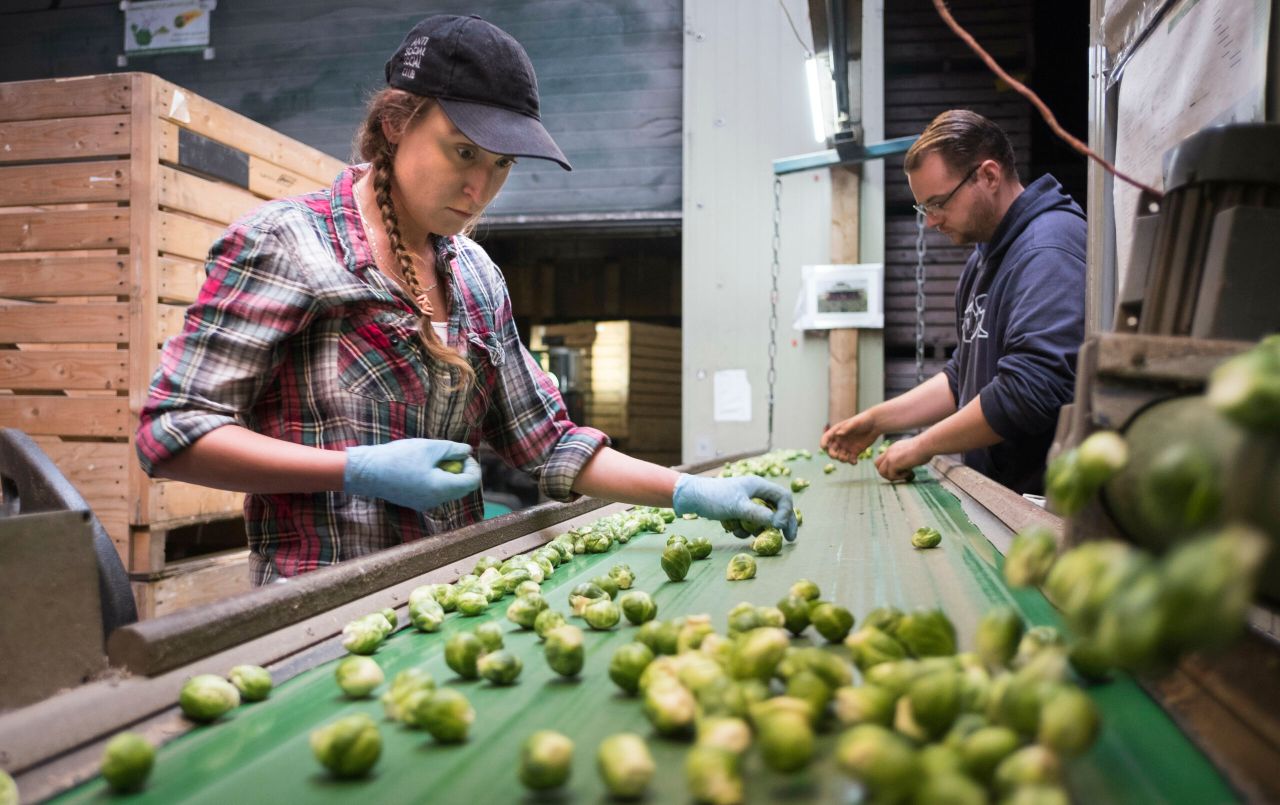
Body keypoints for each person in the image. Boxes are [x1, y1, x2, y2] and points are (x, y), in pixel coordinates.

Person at [136, 14, 796, 584]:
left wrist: (689, 491)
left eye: (502, 165)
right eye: (463, 152)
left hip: (450, 592)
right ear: (397, 122)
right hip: (318, 611)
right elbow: (171, 432)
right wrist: (354, 469)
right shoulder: (287, 243)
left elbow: (550, 443)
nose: (479, 187)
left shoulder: (477, 275)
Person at [821, 109, 1085, 494]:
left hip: (1040, 506)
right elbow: (963, 376)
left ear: (989, 176)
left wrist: (922, 445)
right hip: (997, 494)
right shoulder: (983, 259)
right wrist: (879, 421)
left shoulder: (1048, 249)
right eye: (924, 207)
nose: (931, 221)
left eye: (938, 202)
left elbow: (1030, 389)